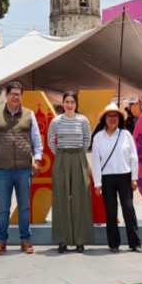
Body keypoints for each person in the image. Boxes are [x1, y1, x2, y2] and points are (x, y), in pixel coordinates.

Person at [0, 81, 43, 255]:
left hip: (24, 169)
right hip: (3, 169)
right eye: (13, 94)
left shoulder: (29, 115)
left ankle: (25, 240)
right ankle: (0, 241)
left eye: (18, 94)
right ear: (6, 96)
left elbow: (36, 141)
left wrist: (37, 159)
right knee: (3, 208)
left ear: (21, 96)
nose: (16, 97)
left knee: (24, 207)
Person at [91, 103, 142, 253]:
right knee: (111, 211)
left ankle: (135, 243)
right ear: (104, 119)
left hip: (124, 176)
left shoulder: (126, 135)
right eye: (109, 116)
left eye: (115, 116)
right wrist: (97, 183)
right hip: (107, 178)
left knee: (128, 209)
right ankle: (113, 243)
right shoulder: (98, 138)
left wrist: (134, 177)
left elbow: (133, 157)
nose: (112, 118)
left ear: (120, 119)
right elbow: (95, 161)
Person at [47, 90, 94, 253]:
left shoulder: (83, 120)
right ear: (62, 103)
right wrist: (61, 155)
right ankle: (63, 239)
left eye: (72, 102)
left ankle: (80, 240)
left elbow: (87, 140)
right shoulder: (56, 121)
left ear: (76, 104)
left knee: (81, 197)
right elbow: (50, 141)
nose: (69, 105)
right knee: (61, 198)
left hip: (79, 157)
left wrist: (77, 154)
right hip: (62, 158)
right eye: (66, 101)